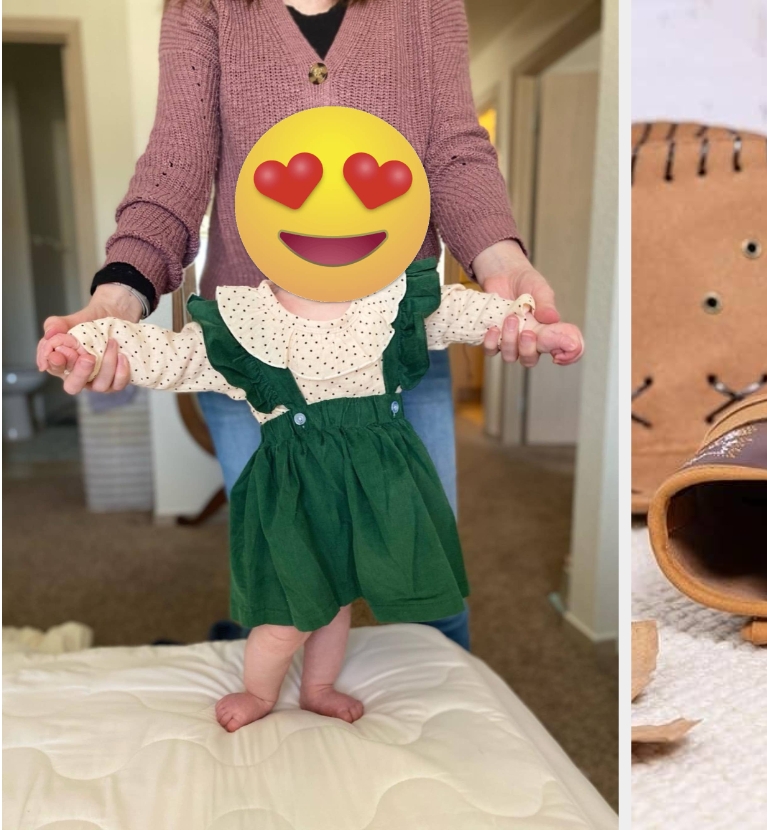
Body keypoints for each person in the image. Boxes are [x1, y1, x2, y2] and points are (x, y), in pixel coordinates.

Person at [35, 0, 558, 651]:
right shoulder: (204, 7)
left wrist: (504, 261)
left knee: (425, 558)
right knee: (281, 567)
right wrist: (120, 295)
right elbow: (179, 159)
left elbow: (453, 150)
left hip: (393, 342)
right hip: (257, 349)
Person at [42, 258, 583, 731]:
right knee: (289, 615)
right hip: (297, 497)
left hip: (377, 489)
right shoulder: (248, 323)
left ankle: (317, 688)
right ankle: (258, 692)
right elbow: (169, 353)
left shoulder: (389, 302)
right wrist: (89, 341)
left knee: (338, 601)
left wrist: (534, 327)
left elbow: (466, 312)